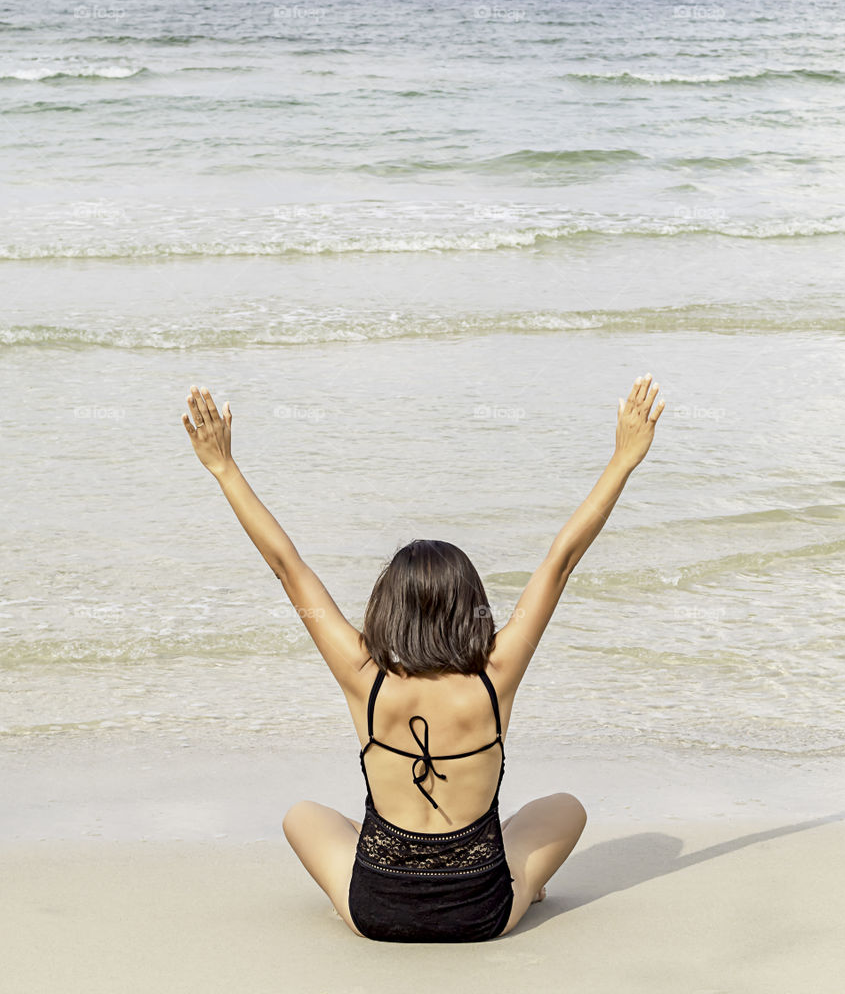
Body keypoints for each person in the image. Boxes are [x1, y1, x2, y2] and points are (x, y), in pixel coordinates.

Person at [182, 372, 665, 941]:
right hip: (483, 915)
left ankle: (443, 876)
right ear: (472, 606)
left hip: (375, 911)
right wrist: (623, 460)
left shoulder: (364, 676)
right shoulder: (496, 676)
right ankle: (523, 886)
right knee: (568, 807)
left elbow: (288, 569)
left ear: (388, 605)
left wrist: (224, 468)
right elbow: (560, 563)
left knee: (301, 816)